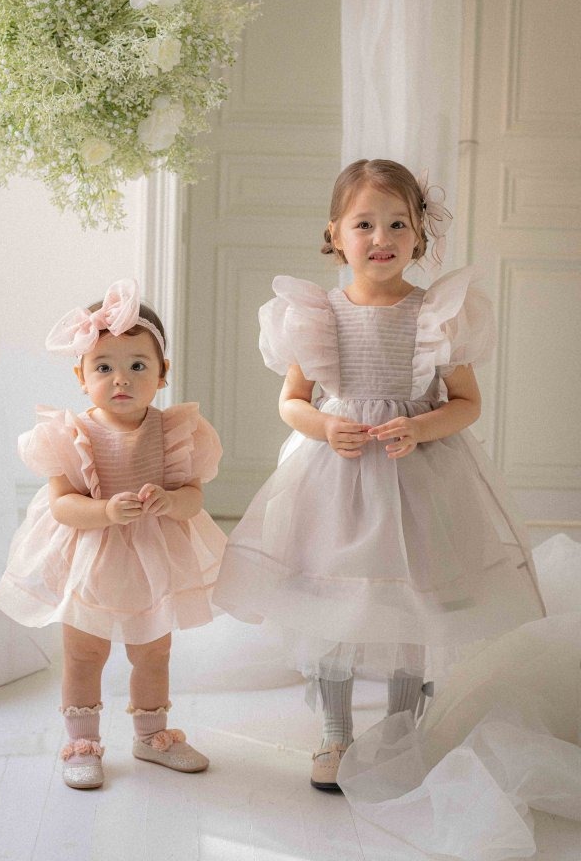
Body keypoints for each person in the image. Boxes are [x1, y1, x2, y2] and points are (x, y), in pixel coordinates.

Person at [213, 159, 545, 791]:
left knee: (410, 602)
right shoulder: (318, 314)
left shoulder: (436, 313)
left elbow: (466, 403)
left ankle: (400, 728)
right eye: (364, 223)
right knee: (331, 604)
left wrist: (421, 427)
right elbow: (292, 401)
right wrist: (322, 425)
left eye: (398, 223)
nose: (381, 237)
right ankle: (335, 731)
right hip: (334, 479)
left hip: (417, 478)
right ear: (335, 234)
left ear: (419, 235)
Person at [0, 279, 227, 789]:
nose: (120, 379)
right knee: (84, 653)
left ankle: (152, 735)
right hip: (91, 557)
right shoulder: (70, 434)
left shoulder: (176, 431)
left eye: (137, 366)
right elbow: (62, 505)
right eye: (103, 367)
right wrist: (104, 510)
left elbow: (193, 496)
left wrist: (171, 502)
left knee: (153, 651)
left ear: (162, 374)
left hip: (152, 558)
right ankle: (82, 742)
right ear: (81, 376)